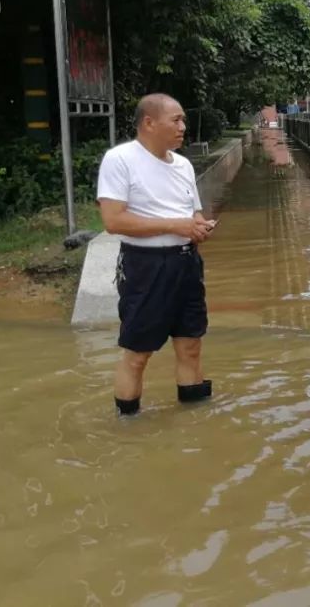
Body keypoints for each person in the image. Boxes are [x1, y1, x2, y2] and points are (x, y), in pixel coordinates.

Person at [97, 94, 216, 416]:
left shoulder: (183, 165)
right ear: (149, 123)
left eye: (183, 120)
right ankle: (127, 424)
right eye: (175, 120)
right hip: (145, 266)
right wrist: (176, 225)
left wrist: (199, 227)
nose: (183, 127)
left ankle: (194, 422)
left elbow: (194, 214)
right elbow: (113, 220)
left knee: (190, 345)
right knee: (138, 353)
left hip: (186, 263)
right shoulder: (120, 159)